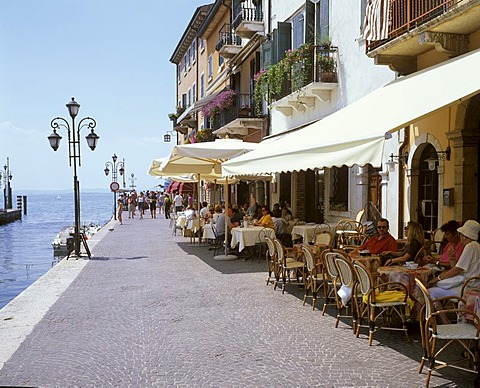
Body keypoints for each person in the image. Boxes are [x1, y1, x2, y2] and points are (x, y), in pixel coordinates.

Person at [428, 220, 480, 299]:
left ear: (464, 236)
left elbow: (457, 270)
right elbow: (457, 267)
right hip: (468, 284)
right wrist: (452, 257)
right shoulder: (476, 245)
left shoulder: (470, 247)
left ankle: (440, 311)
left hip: (465, 287)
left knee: (429, 293)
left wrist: (438, 278)